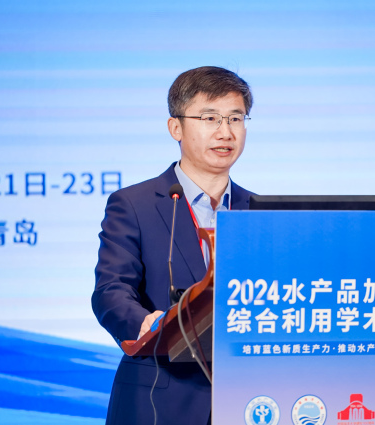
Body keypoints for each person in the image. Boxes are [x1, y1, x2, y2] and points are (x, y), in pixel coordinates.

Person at [92, 66, 254, 425]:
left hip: (249, 401)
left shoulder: (259, 212)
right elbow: (110, 291)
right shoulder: (134, 204)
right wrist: (145, 324)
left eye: (235, 118)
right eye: (210, 118)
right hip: (159, 397)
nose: (225, 132)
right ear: (175, 128)